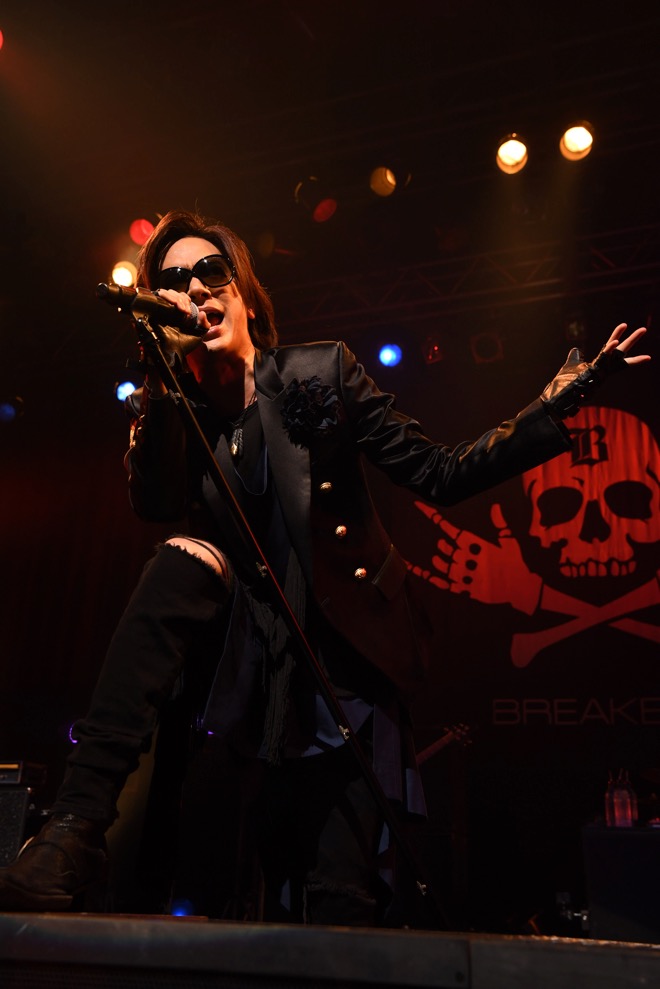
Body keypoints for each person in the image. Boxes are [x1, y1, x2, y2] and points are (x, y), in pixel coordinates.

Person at [0, 210, 650, 924]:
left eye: (211, 272)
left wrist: (555, 406)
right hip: (252, 669)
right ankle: (74, 829)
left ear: (247, 298)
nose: (195, 289)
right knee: (182, 559)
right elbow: (153, 503)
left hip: (340, 658)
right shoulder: (180, 419)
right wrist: (161, 374)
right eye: (174, 281)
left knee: (338, 897)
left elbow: (438, 472)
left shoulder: (318, 371)